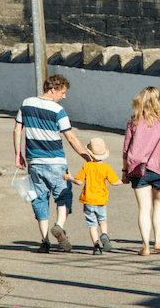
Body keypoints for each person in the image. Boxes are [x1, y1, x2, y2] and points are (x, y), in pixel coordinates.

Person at [12, 74, 90, 253]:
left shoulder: (26, 103)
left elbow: (17, 129)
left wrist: (18, 154)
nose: (64, 96)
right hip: (56, 161)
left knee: (39, 199)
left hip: (34, 161)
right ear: (53, 89)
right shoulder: (58, 111)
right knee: (63, 195)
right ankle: (59, 226)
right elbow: (70, 136)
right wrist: (85, 155)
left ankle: (45, 240)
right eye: (62, 92)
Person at [123, 86, 160, 256]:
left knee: (143, 208)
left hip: (138, 169)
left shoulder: (133, 121)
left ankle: (146, 247)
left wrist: (124, 171)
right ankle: (158, 242)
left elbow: (126, 149)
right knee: (158, 206)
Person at [63, 138, 124, 255]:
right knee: (103, 221)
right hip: (101, 200)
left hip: (88, 200)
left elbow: (79, 182)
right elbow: (114, 182)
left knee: (92, 225)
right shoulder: (106, 167)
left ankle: (96, 246)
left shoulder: (87, 166)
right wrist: (124, 180)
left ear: (90, 153)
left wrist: (69, 177)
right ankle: (104, 234)